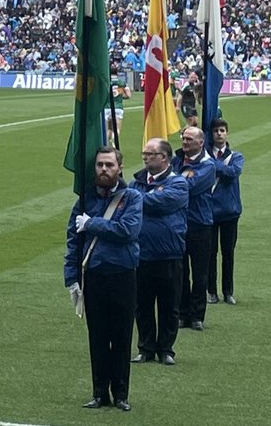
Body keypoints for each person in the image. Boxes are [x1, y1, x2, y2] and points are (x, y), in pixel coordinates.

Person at [64, 146, 143, 412]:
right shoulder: (85, 200)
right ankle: (99, 393)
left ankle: (121, 393)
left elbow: (127, 230)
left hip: (123, 275)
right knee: (97, 338)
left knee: (121, 337)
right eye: (99, 165)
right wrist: (71, 278)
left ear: (120, 167)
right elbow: (73, 240)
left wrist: (93, 224)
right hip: (94, 277)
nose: (104, 170)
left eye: (109, 165)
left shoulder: (132, 197)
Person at [128, 137, 188, 365]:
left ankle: (166, 349)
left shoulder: (179, 183)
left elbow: (161, 203)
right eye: (144, 153)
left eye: (150, 153)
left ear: (164, 157)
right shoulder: (136, 183)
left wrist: (137, 199)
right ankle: (146, 348)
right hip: (141, 254)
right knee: (141, 305)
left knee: (168, 305)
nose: (145, 157)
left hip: (169, 254)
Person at [172, 126, 217, 330]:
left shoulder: (208, 166)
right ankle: (182, 313)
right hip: (179, 224)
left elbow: (186, 189)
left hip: (200, 224)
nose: (185, 142)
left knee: (200, 273)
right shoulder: (177, 160)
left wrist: (172, 183)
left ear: (200, 142)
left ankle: (197, 315)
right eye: (184, 138)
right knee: (180, 272)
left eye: (189, 139)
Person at [207, 118, 244, 306]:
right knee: (210, 254)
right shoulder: (205, 156)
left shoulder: (236, 156)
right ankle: (211, 291)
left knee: (228, 253)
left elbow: (232, 173)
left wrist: (214, 165)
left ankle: (228, 291)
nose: (219, 134)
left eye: (222, 130)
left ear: (227, 133)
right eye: (215, 131)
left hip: (229, 211)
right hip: (210, 212)